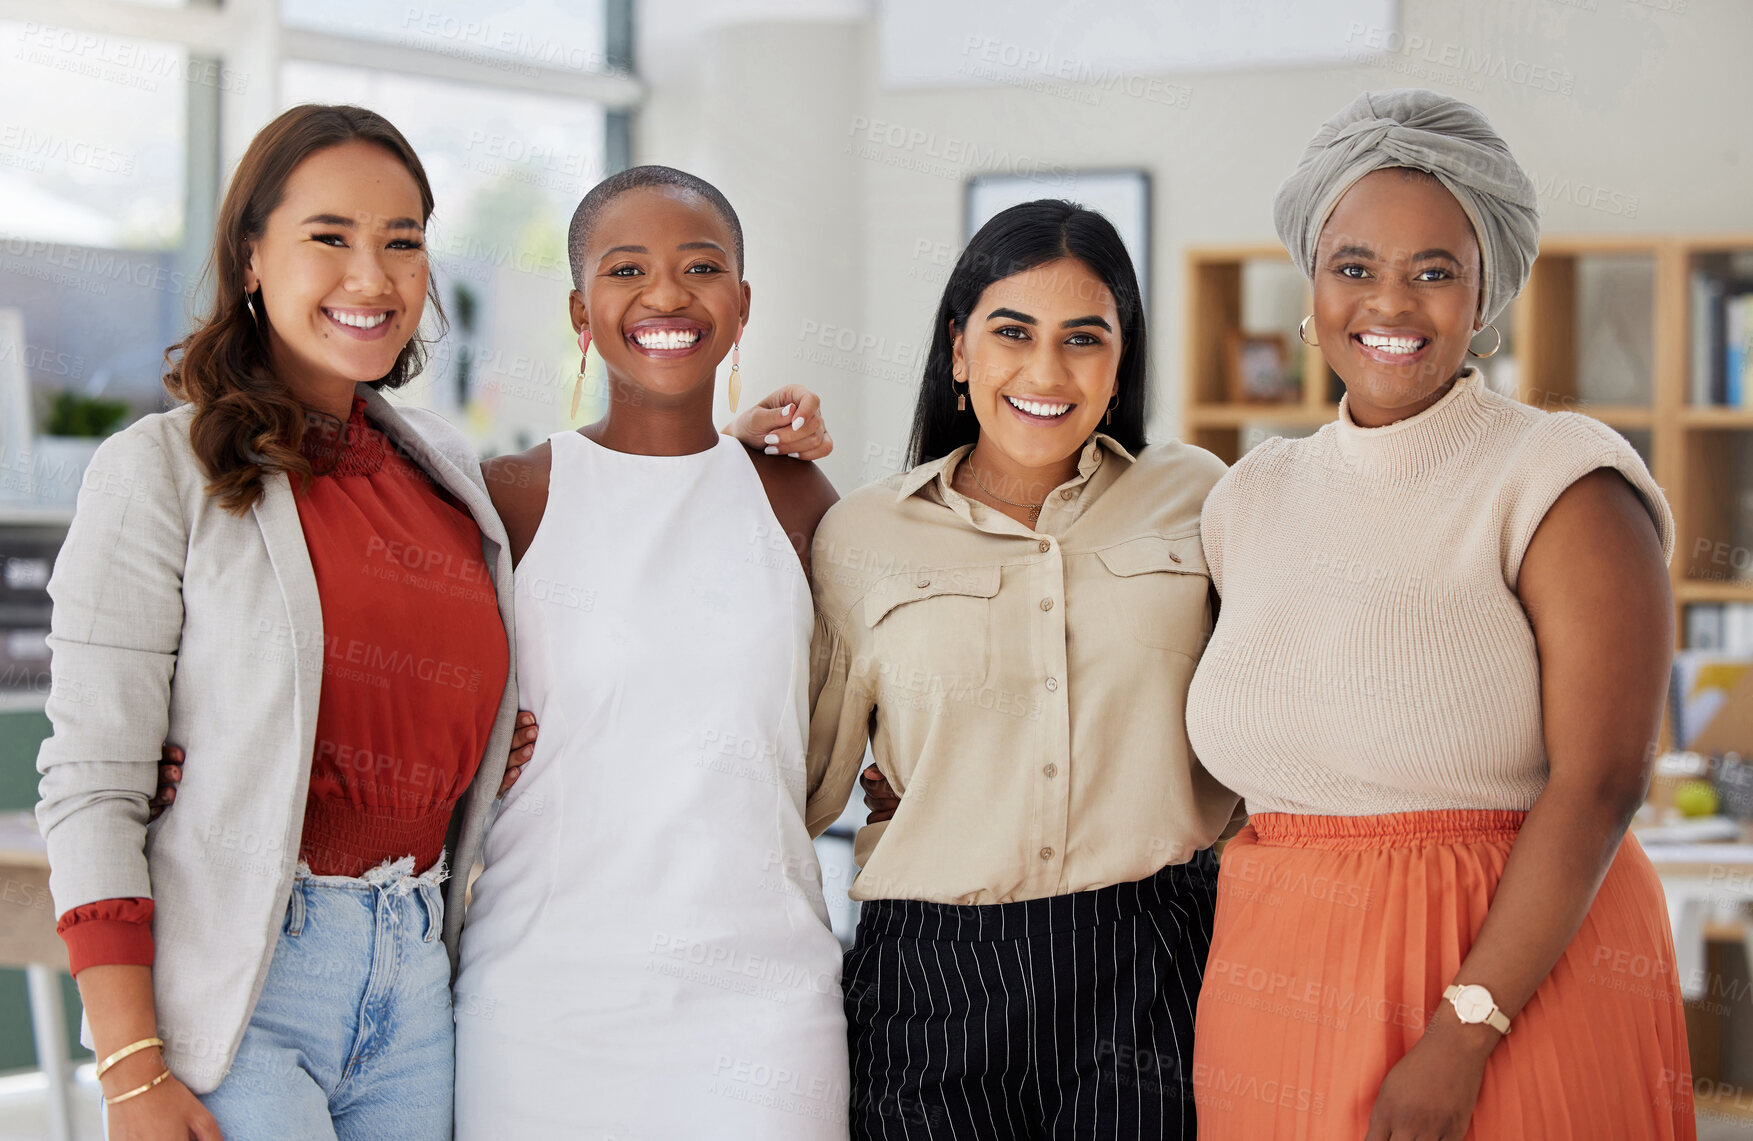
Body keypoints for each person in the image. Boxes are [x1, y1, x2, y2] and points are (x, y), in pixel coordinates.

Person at [1186, 89, 1693, 1140]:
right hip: (1272, 982)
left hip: (1506, 982)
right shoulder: (1247, 495)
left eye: (1433, 272)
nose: (1389, 304)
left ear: (1483, 293)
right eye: (1354, 268)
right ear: (1312, 283)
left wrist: (1464, 1031)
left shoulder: (1559, 479)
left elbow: (1602, 783)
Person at [34, 104, 518, 1141]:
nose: (373, 277)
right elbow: (91, 786)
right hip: (245, 988)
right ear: (251, 257)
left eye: (403, 242)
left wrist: (719, 445)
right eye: (329, 237)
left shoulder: (447, 479)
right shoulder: (160, 471)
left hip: (418, 978)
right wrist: (127, 1069)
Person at [806, 200, 1240, 1139]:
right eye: (1012, 332)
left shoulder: (1199, 498)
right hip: (931, 985)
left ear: (1121, 359)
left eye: (1083, 337)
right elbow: (796, 781)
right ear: (957, 348)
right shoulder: (860, 536)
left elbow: (1271, 708)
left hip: (1153, 968)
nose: (1046, 371)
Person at [451, 165, 848, 1140]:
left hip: (766, 1013)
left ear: (741, 305)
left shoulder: (795, 500)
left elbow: (868, 702)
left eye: (699, 266)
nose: (666, 294)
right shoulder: (513, 497)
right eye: (626, 268)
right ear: (581, 309)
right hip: (544, 1003)